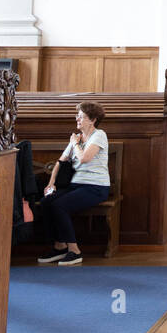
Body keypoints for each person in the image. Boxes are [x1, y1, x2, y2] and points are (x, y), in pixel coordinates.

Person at [37, 103, 111, 266]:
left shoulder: (99, 135)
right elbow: (59, 162)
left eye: (81, 116)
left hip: (96, 187)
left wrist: (75, 143)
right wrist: (51, 184)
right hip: (76, 185)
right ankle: (59, 247)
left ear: (92, 120)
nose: (77, 118)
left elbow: (84, 158)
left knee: (60, 205)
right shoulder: (76, 138)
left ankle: (74, 251)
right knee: (46, 202)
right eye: (77, 115)